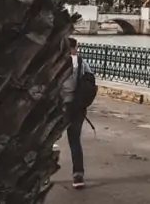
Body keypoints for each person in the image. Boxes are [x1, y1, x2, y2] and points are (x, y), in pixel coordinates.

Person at [61, 37, 93, 189]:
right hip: (78, 107)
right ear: (73, 47)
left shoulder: (57, 63)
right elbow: (90, 82)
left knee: (49, 141)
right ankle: (78, 175)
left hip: (60, 107)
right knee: (75, 141)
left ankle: (45, 174)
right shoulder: (82, 63)